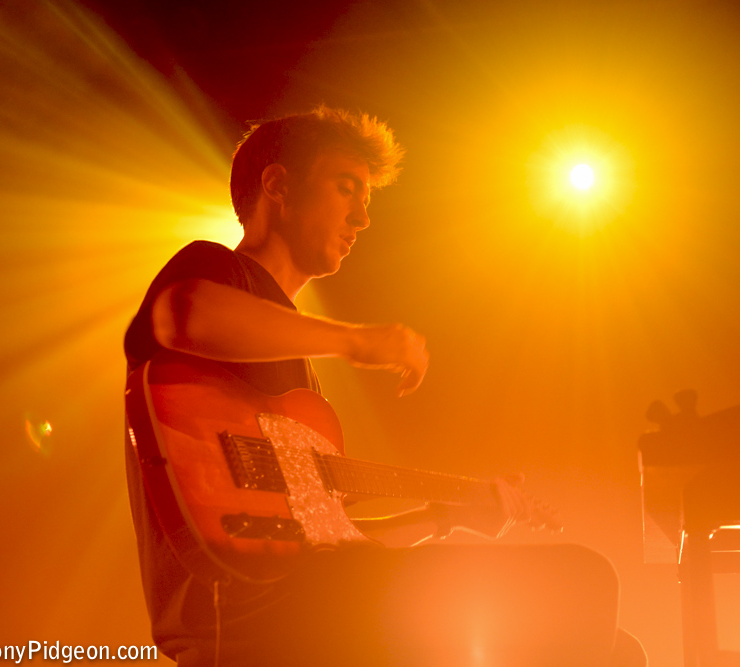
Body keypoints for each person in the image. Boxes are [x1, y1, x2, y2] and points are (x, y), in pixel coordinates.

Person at [124, 106, 629, 666]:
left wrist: (447, 516)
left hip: (311, 600)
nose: (362, 219)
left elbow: (329, 540)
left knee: (620, 650)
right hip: (247, 608)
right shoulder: (215, 269)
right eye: (346, 189)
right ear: (277, 185)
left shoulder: (300, 381)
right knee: (581, 580)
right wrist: (357, 340)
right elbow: (184, 315)